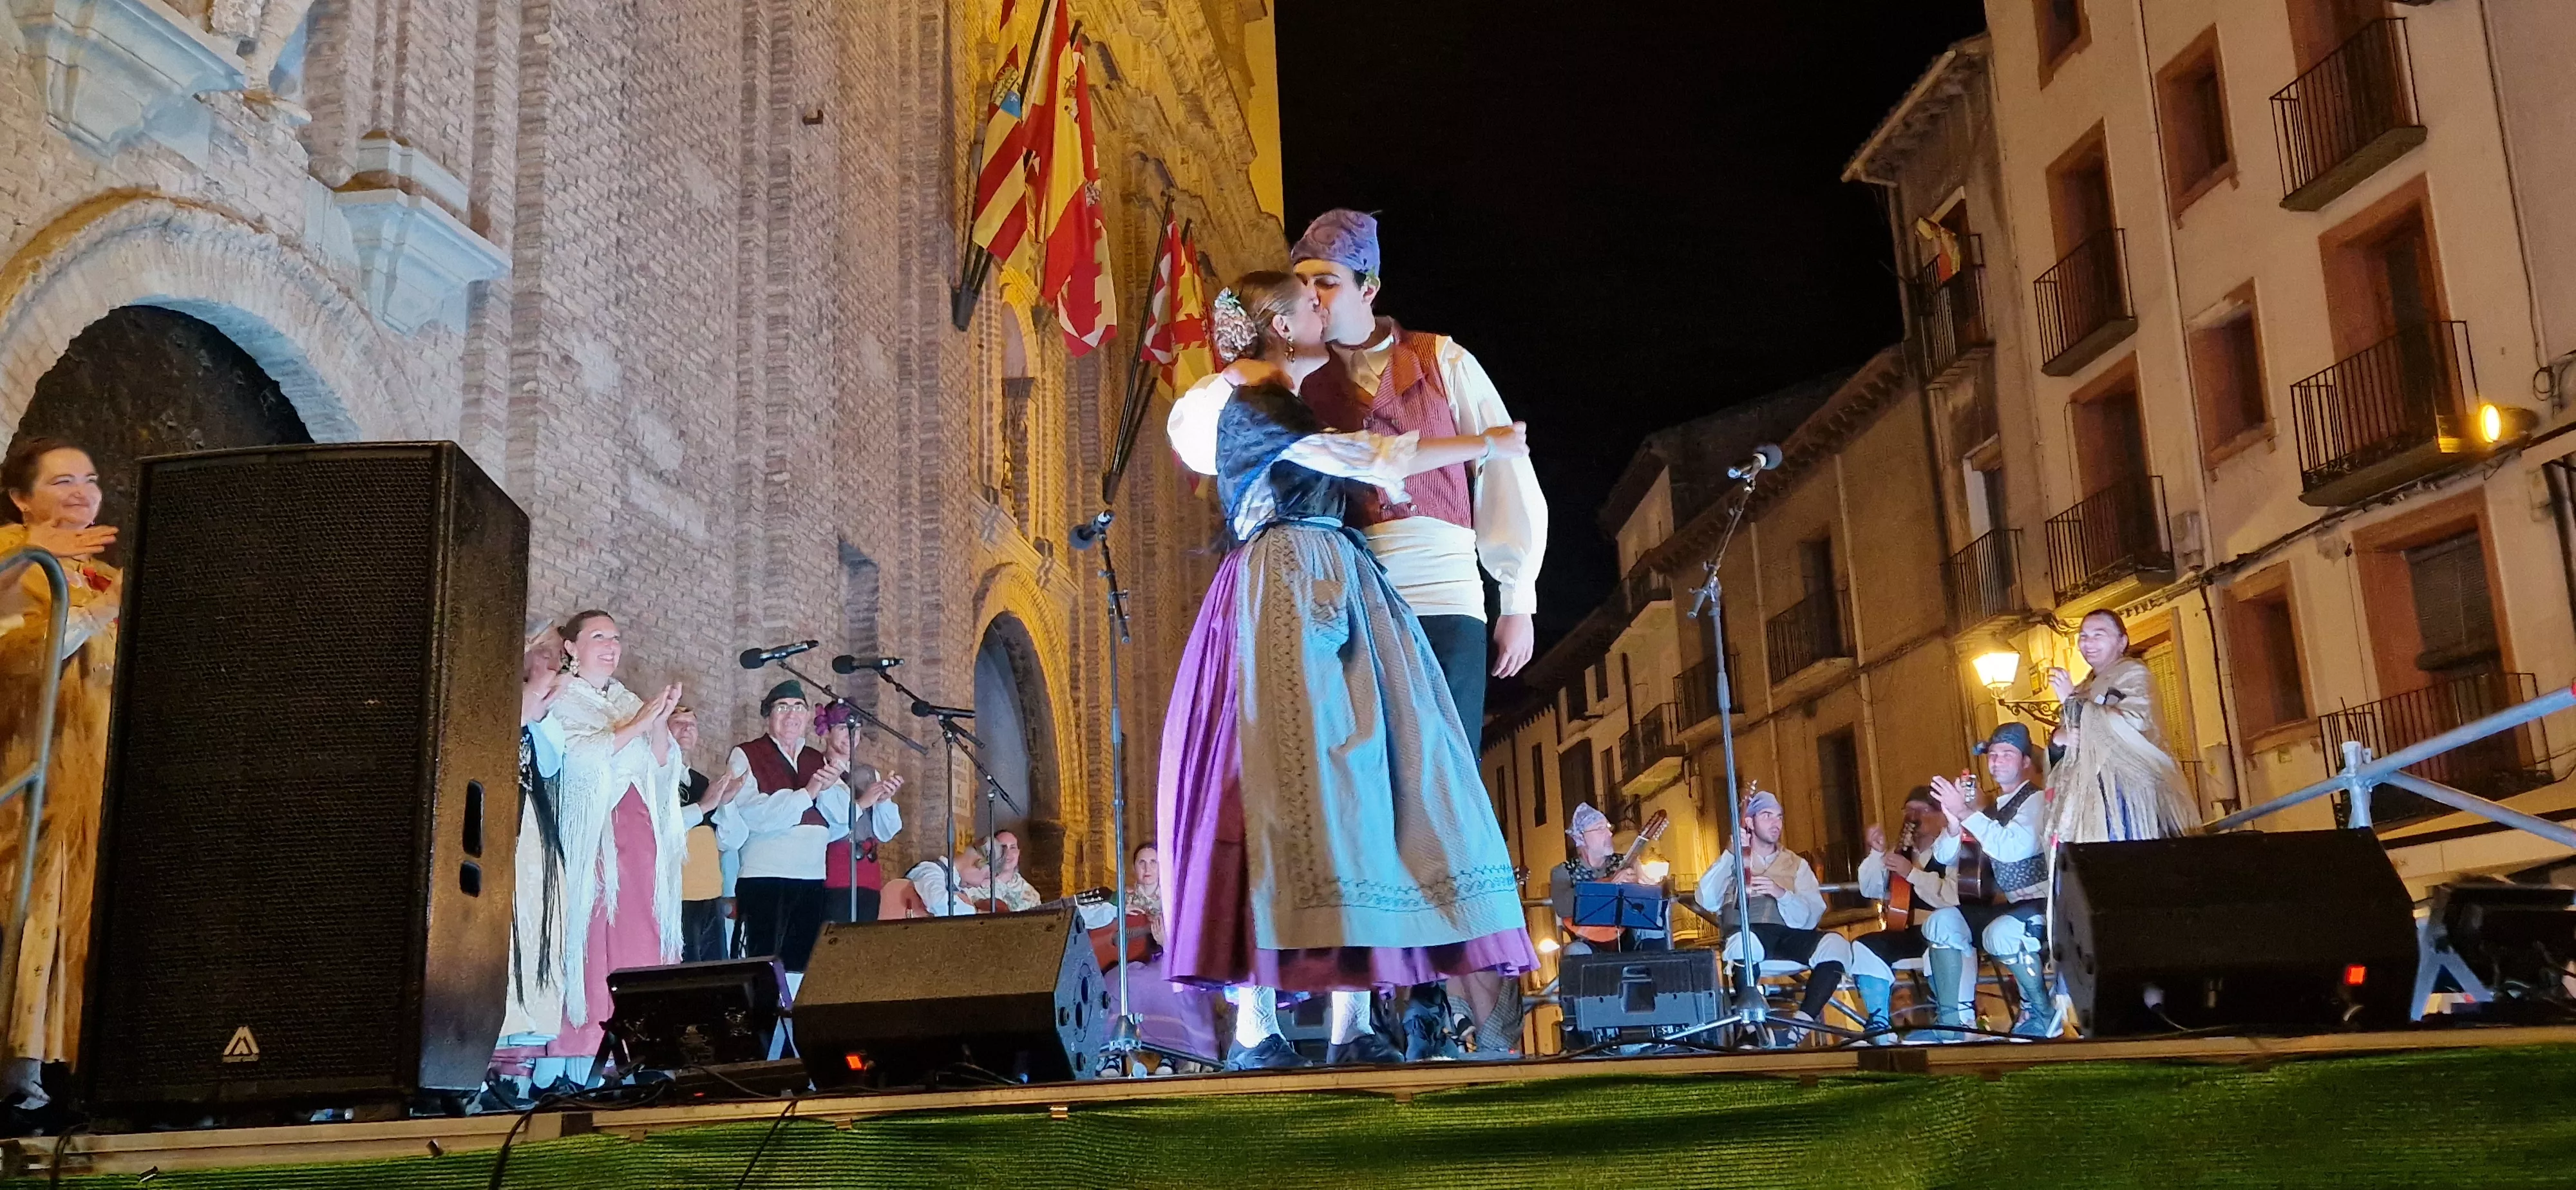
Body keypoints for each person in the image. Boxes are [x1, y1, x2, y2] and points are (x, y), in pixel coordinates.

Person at [1155, 270, 1536, 1072]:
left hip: (1332, 581)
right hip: (1282, 585)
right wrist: (1486, 443)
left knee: (1356, 786)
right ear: (1281, 329)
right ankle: (1258, 1026)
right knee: (1273, 782)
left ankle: (1350, 1023)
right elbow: (1357, 455)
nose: (1323, 311)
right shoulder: (1252, 398)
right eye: (1309, 307)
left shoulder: (1282, 393)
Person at [1290, 209, 1549, 1061]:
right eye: (1304, 283)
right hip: (1352, 595)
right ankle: (1392, 999)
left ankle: (1480, 1012)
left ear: (1368, 287)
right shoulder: (1301, 379)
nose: (1315, 296)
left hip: (1443, 594)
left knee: (1441, 789)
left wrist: (1518, 592)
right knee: (1365, 794)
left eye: (1328, 280)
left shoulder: (1440, 359)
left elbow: (1503, 460)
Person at [0, 438, 118, 1111]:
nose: (82, 492)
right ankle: (20, 1076)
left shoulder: (99, 574)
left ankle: (83, 1069)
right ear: (22, 496)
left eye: (91, 479)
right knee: (34, 907)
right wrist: (102, 606)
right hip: (37, 771)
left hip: (98, 774)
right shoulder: (15, 558)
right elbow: (23, 659)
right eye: (63, 480)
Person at [542, 610, 688, 1086]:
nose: (611, 646)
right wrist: (640, 723)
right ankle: (580, 1052)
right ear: (571, 648)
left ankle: (643, 1048)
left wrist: (660, 722)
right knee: (593, 935)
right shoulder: (563, 696)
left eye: (616, 638)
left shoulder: (626, 699)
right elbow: (578, 759)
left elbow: (664, 765)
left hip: (640, 836)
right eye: (598, 637)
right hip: (594, 835)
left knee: (641, 935)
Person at [714, 681, 857, 987]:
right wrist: (808, 793)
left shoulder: (818, 760)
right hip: (765, 875)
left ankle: (789, 1031)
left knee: (800, 964)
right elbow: (755, 814)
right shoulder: (747, 754)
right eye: (782, 707)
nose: (791, 714)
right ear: (768, 715)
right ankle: (761, 1031)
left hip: (811, 876)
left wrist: (829, 790)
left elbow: (844, 824)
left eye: (798, 707)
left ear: (807, 718)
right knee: (762, 962)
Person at [1932, 721, 2060, 1037]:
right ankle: (1955, 1023)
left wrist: (1965, 813)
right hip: (2010, 906)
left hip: (2044, 905)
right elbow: (1946, 857)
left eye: (2007, 754)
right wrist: (1952, 821)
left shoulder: (2037, 800)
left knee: (2001, 933)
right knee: (1942, 923)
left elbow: (2011, 848)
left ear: (2026, 762)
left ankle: (2042, 1013)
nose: (1997, 760)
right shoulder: (1990, 807)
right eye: (1993, 754)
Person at [1694, 789, 1850, 1040]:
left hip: (1789, 934)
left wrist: (1781, 894)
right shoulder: (1734, 858)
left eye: (1779, 817)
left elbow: (1812, 915)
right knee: (1744, 944)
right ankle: (1751, 1030)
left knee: (1836, 945)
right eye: (1767, 816)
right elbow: (1706, 899)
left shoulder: (1796, 864)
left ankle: (1801, 1026)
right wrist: (1729, 855)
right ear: (1750, 822)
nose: (1776, 823)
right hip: (1749, 934)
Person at [494, 628, 571, 1100]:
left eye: (556, 657)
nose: (551, 662)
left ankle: (516, 1054)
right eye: (544, 653)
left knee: (531, 921)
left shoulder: (546, 708)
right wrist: (535, 695)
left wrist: (544, 704)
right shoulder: (497, 693)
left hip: (529, 824)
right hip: (491, 820)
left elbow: (550, 761)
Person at [2046, 609, 2195, 844]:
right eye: (2083, 636)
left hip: (2128, 793)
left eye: (2098, 635)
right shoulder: (2085, 685)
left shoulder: (2134, 674)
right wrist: (2058, 739)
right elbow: (2068, 743)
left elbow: (2132, 724)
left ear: (2122, 641)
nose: (2088, 643)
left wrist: (2071, 702)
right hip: (2089, 799)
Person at [1852, 787, 1971, 1043]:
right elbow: (1870, 889)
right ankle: (1880, 1025)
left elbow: (1951, 896)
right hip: (1908, 932)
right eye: (1909, 811)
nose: (1914, 817)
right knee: (1864, 946)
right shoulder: (1902, 853)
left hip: (1945, 935)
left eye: (1923, 810)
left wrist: (1912, 874)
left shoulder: (1953, 850)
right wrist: (1878, 853)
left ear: (1942, 815)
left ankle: (1949, 1025)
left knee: (1941, 937)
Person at [815, 701, 904, 925]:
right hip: (834, 873)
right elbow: (830, 827)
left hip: (868, 875)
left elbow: (885, 833)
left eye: (857, 728)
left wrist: (883, 800)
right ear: (827, 732)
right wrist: (863, 803)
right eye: (843, 728)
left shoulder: (868, 772)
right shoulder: (817, 768)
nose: (851, 735)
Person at [671, 706, 744, 963]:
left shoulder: (703, 782)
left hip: (709, 893)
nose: (687, 729)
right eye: (678, 723)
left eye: (692, 724)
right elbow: (658, 828)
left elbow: (730, 840)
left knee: (712, 973)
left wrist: (726, 802)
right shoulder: (655, 778)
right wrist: (703, 806)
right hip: (676, 895)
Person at [1548, 802, 1661, 954]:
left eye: (1608, 827)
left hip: (1627, 936)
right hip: (1587, 942)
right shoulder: (1563, 871)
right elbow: (1563, 908)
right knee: (1574, 952)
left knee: (1656, 927)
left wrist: (1639, 881)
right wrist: (1609, 883)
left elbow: (1651, 898)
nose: (1609, 834)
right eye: (1600, 829)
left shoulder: (1626, 861)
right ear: (1581, 836)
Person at [903, 846, 994, 918]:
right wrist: (975, 914)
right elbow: (937, 901)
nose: (982, 885)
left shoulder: (959, 889)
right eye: (986, 877)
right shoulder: (931, 869)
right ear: (978, 862)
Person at [981, 830, 1043, 912]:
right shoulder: (976, 884)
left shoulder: (1031, 895)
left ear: (1018, 853)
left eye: (1013, 848)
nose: (1007, 853)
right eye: (1002, 847)